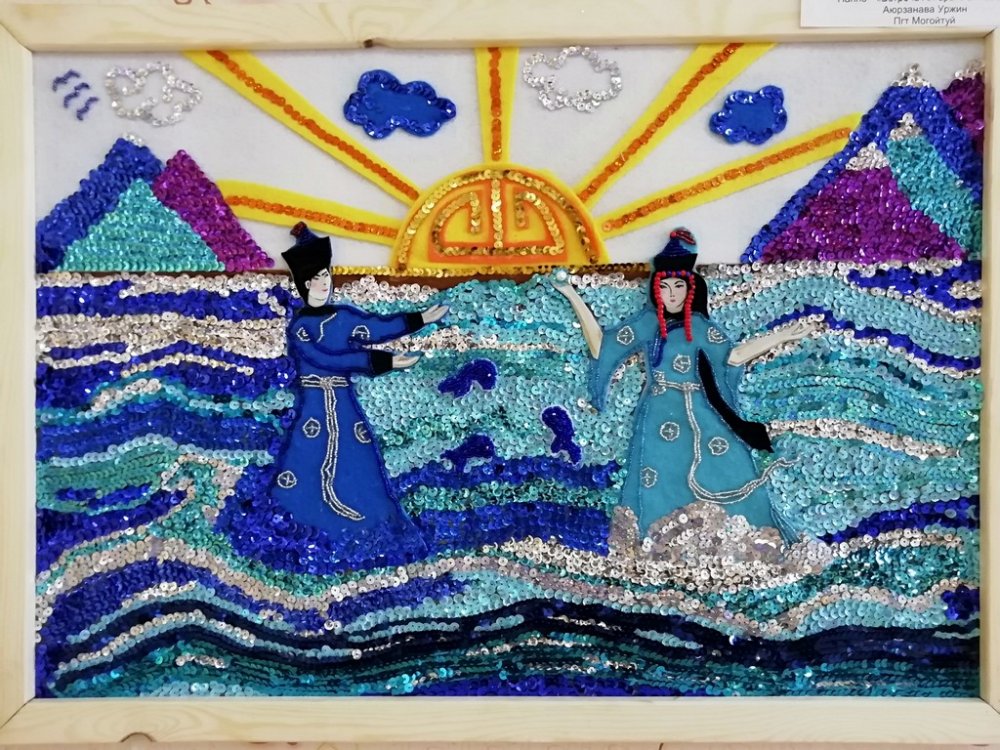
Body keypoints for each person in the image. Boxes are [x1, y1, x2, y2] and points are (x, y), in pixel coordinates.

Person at [553, 227, 811, 539]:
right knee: (660, 475)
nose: (672, 294)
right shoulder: (648, 323)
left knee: (725, 470)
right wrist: (571, 295)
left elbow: (733, 356)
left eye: (678, 286)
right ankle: (658, 544)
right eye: (664, 287)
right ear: (656, 290)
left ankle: (741, 541)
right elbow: (602, 346)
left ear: (690, 288)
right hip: (659, 414)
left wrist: (781, 336)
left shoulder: (700, 327)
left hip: (704, 413)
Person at [271, 222, 448, 539]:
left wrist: (419, 318)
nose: (322, 284)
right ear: (303, 285)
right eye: (314, 279)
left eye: (325, 276)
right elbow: (326, 359)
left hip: (343, 401)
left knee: (358, 456)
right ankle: (302, 524)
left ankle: (370, 521)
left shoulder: (343, 316)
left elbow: (377, 328)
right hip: (314, 402)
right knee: (306, 452)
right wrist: (382, 361)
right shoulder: (299, 329)